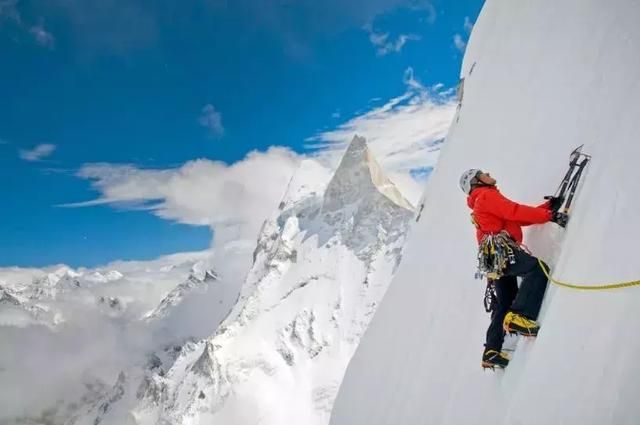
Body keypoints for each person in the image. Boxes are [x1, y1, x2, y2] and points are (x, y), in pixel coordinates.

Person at [459, 169, 567, 369]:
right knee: (537, 269)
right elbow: (514, 211)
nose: (487, 173)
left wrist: (545, 209)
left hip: (492, 258)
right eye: (482, 173)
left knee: (505, 301)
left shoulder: (480, 201)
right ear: (476, 182)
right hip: (502, 250)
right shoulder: (486, 195)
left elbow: (515, 218)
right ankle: (522, 316)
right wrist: (551, 215)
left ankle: (491, 350)